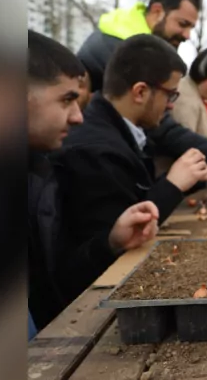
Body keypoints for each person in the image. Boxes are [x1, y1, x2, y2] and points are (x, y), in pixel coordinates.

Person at [52, 34, 207, 301]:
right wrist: (173, 184)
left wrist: (191, 178)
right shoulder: (96, 150)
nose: (171, 104)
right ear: (140, 92)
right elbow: (118, 242)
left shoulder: (117, 130)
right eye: (170, 94)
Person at [28, 30, 160, 331]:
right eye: (66, 100)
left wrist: (109, 243)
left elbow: (54, 286)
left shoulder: (37, 177)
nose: (77, 117)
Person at [75, 0, 207, 180]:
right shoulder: (127, 52)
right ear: (157, 11)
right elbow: (162, 128)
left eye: (191, 27)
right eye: (182, 24)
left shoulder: (121, 39)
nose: (187, 36)